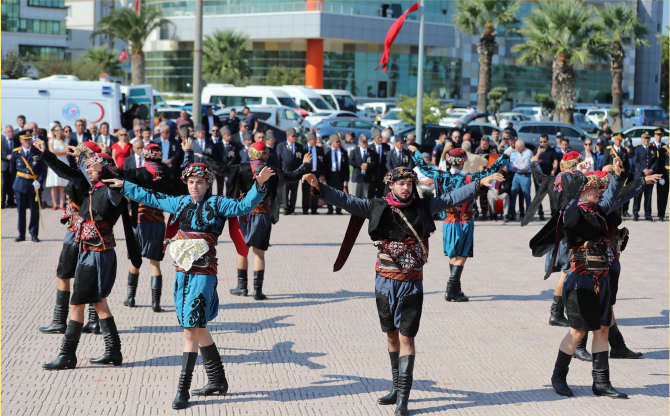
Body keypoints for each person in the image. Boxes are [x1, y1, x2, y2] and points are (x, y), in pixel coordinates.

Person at [301, 166, 503, 416]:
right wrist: (319, 187)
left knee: (407, 337)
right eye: (401, 184)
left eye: (409, 183)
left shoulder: (424, 207)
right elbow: (346, 200)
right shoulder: (376, 206)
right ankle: (396, 388)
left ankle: (403, 399)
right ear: (391, 185)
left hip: (411, 283)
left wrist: (480, 183)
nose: (406, 187)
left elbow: (452, 197)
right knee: (391, 335)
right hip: (384, 281)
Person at [105, 155, 274, 410]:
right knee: (197, 326)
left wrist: (259, 186)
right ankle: (217, 381)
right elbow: (152, 197)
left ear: (208, 184)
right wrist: (125, 185)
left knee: (189, 329)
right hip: (182, 272)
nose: (195, 185)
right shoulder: (180, 202)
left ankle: (182, 390)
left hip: (204, 274)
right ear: (186, 183)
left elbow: (244, 206)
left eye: (200, 182)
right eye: (192, 181)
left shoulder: (218, 203)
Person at [540, 161, 653, 400]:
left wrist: (633, 179)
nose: (598, 191)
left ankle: (601, 383)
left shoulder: (598, 210)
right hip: (580, 280)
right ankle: (558, 377)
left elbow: (615, 196)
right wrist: (571, 187)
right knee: (577, 332)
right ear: (581, 191)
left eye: (599, 188)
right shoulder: (573, 213)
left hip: (602, 279)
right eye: (593, 188)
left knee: (602, 330)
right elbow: (568, 207)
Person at [43, 148, 141, 371]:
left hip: (97, 255)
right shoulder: (93, 188)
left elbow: (118, 191)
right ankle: (113, 352)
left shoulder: (110, 190)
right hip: (90, 253)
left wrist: (113, 177)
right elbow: (70, 172)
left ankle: (67, 356)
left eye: (92, 166)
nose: (88, 169)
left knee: (77, 304)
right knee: (99, 303)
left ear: (104, 170)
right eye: (87, 166)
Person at [191, 140, 311, 301]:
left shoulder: (241, 168)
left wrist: (203, 158)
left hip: (244, 214)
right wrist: (305, 165)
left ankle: (242, 287)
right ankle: (258, 291)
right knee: (259, 253)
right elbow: (292, 176)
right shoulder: (272, 171)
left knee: (242, 250)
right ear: (266, 155)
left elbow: (221, 169)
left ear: (250, 153)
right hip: (264, 214)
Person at [410, 145, 509, 301]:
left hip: (448, 222)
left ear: (450, 162)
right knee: (462, 255)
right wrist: (505, 156)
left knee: (453, 254)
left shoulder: (439, 175)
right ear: (463, 162)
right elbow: (491, 170)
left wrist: (415, 151)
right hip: (464, 221)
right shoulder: (469, 177)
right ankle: (451, 289)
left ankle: (457, 288)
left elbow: (422, 167)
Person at [34, 139, 104, 335]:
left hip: (76, 232)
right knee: (90, 276)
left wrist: (45, 153)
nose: (75, 155)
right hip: (92, 233)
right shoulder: (100, 176)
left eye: (80, 153)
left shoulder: (84, 176)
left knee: (63, 275)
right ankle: (93, 321)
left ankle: (59, 321)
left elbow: (62, 171)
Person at [119, 143, 174, 312]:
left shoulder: (138, 173)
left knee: (135, 261)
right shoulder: (167, 175)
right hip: (157, 220)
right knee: (155, 264)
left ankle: (130, 297)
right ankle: (155, 303)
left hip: (139, 220)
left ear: (145, 156)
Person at [10, 133, 46, 242]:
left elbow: (43, 169)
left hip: (34, 184)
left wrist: (39, 182)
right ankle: (21, 234)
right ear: (20, 140)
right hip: (20, 185)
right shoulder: (16, 152)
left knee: (34, 211)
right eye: (25, 140)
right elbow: (12, 170)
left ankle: (34, 234)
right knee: (21, 211)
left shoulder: (37, 151)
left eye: (29, 139)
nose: (27, 141)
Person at [277, 128, 304, 215]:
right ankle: (286, 208)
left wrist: (300, 173)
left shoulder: (299, 147)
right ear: (287, 136)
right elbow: (278, 160)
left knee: (294, 192)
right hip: (285, 173)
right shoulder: (281, 146)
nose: (294, 137)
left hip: (295, 174)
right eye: (293, 136)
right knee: (285, 191)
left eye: (295, 136)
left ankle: (292, 209)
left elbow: (301, 161)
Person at [602, 133, 630, 216]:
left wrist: (627, 175)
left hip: (621, 176)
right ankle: (612, 212)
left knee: (621, 194)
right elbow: (604, 164)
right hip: (612, 176)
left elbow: (627, 165)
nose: (618, 141)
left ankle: (621, 212)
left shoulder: (624, 150)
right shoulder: (608, 150)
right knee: (612, 194)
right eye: (617, 139)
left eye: (620, 140)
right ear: (614, 140)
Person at [631, 132, 657, 221]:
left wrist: (651, 170)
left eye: (648, 138)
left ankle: (648, 214)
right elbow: (635, 161)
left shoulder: (653, 149)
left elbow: (656, 161)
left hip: (650, 176)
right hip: (639, 176)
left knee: (648, 195)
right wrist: (644, 170)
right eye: (644, 138)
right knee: (637, 195)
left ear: (650, 139)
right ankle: (635, 213)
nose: (646, 140)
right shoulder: (637, 149)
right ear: (641, 139)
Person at [324, 134, 350, 214]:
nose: (339, 143)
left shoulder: (343, 152)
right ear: (332, 142)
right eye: (337, 141)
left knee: (339, 193)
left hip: (340, 175)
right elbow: (324, 166)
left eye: (339, 141)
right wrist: (324, 176)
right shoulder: (327, 152)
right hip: (330, 175)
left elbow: (346, 166)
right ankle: (330, 209)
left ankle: (338, 210)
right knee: (329, 193)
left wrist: (347, 178)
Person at [46, 125, 69, 210]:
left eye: (60, 130)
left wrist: (58, 152)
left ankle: (62, 204)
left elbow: (67, 152)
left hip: (63, 162)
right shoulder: (51, 141)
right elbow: (51, 151)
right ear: (54, 132)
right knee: (54, 185)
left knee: (63, 185)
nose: (59, 132)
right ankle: (55, 203)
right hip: (54, 163)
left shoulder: (66, 140)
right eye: (57, 130)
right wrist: (61, 152)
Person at [509, 141, 533, 222]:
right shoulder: (518, 152)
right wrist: (518, 165)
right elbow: (514, 162)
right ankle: (512, 213)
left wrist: (516, 165)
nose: (516, 149)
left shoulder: (528, 153)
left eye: (517, 147)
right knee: (513, 193)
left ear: (521, 147)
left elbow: (526, 167)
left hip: (525, 175)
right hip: (517, 174)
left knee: (526, 195)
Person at [301, 132, 325, 214]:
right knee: (306, 192)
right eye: (313, 139)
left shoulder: (319, 149)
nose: (315, 141)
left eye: (316, 139)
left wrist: (322, 173)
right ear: (308, 140)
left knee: (315, 191)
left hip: (316, 173)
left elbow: (322, 162)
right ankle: (305, 209)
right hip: (306, 174)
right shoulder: (303, 148)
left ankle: (314, 209)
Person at [214, 126, 240, 196]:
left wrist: (228, 165)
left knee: (230, 186)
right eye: (227, 135)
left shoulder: (233, 145)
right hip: (220, 169)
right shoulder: (217, 145)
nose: (229, 136)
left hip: (230, 169)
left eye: (230, 135)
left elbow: (234, 157)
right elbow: (216, 156)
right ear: (223, 136)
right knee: (220, 187)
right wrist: (222, 165)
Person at [350, 134, 377, 198]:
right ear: (359, 142)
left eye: (365, 142)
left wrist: (367, 165)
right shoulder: (354, 151)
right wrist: (360, 165)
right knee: (356, 196)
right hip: (357, 176)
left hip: (367, 177)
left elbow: (374, 162)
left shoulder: (371, 152)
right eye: (363, 142)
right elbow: (351, 161)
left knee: (365, 196)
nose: (364, 143)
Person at [652, 129, 669, 220]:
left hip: (662, 174)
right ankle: (648, 213)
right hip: (652, 173)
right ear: (654, 135)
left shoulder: (664, 147)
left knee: (662, 194)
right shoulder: (651, 146)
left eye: (660, 135)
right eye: (657, 135)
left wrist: (662, 176)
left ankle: (661, 214)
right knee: (649, 194)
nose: (659, 136)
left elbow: (663, 163)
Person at [369, 128, 390, 198]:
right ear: (374, 138)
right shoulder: (370, 147)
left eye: (381, 137)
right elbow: (369, 161)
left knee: (380, 192)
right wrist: (371, 174)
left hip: (382, 173)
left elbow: (387, 160)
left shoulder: (386, 147)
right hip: (373, 174)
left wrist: (386, 171)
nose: (380, 139)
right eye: (378, 138)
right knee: (371, 192)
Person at [2, 125, 18, 208]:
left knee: (12, 184)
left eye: (12, 131)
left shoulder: (16, 141)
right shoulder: (1, 140)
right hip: (4, 166)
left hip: (13, 167)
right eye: (9, 131)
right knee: (3, 184)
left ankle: (11, 201)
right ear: (5, 133)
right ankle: (2, 202)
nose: (11, 133)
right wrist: (5, 157)